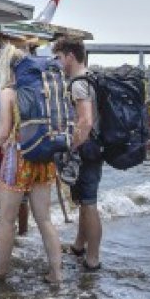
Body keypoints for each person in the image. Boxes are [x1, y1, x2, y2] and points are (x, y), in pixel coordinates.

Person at [0, 43, 63, 284]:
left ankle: (1, 270)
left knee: (7, 220)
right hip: (44, 156)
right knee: (44, 219)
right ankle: (57, 273)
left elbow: (5, 131)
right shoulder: (42, 89)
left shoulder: (9, 92)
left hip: (18, 159)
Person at [53, 36, 103, 271]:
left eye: (60, 58)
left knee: (90, 203)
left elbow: (85, 121)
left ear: (70, 57)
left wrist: (69, 149)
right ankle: (79, 246)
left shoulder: (78, 84)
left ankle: (92, 259)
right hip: (95, 148)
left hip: (87, 150)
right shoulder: (91, 77)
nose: (59, 63)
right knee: (84, 201)